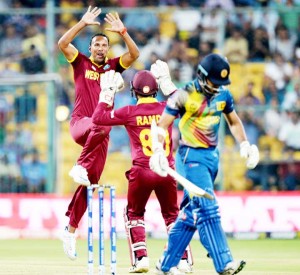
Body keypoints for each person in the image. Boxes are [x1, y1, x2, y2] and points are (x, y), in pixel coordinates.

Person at [149, 54, 259, 275]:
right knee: (208, 208)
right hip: (190, 158)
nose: (217, 88)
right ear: (202, 76)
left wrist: (245, 144)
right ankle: (224, 263)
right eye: (214, 82)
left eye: (221, 84)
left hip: (211, 158)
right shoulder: (183, 96)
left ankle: (166, 264)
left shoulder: (223, 95)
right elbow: (162, 125)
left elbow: (234, 121)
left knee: (190, 214)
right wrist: (158, 150)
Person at [57, 6, 139, 260]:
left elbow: (134, 53)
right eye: (97, 45)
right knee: (103, 121)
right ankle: (80, 164)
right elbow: (62, 43)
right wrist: (82, 23)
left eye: (105, 45)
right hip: (82, 124)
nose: (101, 48)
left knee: (89, 185)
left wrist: (123, 32)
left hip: (100, 137)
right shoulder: (80, 62)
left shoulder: (114, 67)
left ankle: (70, 230)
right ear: (91, 48)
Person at [91, 69, 193, 273]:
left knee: (134, 214)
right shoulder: (166, 107)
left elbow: (98, 118)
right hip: (165, 169)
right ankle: (182, 259)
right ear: (155, 91)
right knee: (172, 215)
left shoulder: (129, 112)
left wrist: (107, 93)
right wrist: (168, 84)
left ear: (133, 91)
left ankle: (141, 259)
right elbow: (190, 108)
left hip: (142, 172)